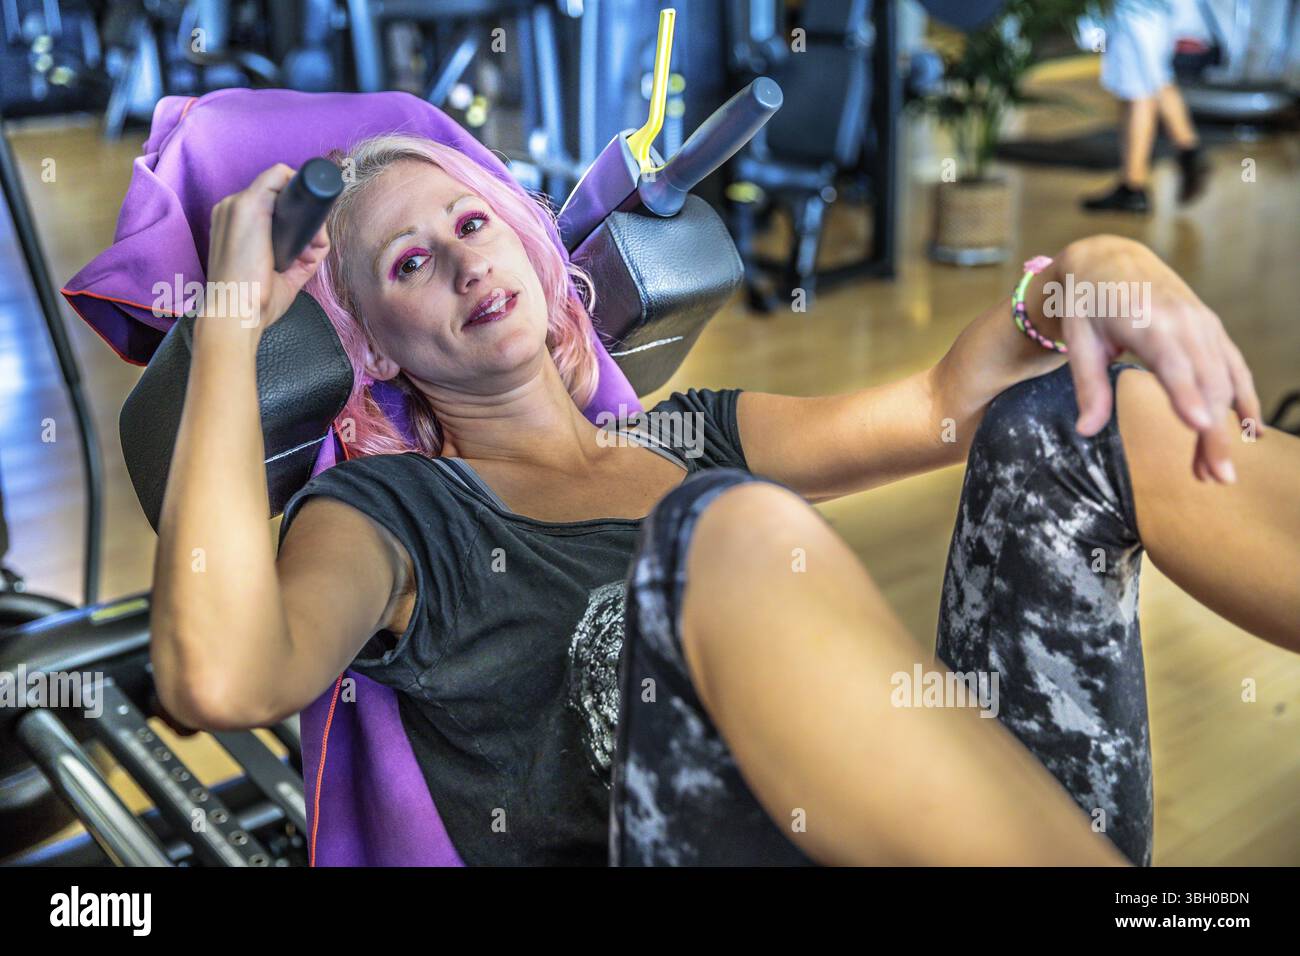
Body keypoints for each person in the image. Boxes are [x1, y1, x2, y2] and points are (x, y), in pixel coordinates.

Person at [150, 133, 1298, 866]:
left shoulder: (690, 436)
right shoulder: (400, 516)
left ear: (523, 240)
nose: (459, 262)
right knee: (722, 533)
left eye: (467, 222)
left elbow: (955, 396)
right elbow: (223, 676)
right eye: (406, 265)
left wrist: (1103, 264)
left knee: (1082, 422)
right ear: (378, 354)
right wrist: (225, 331)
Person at [1082, 0, 1211, 213]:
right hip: (1155, 12)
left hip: (1135, 11)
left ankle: (1133, 187)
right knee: (1155, 80)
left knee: (1138, 92)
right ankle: (1189, 154)